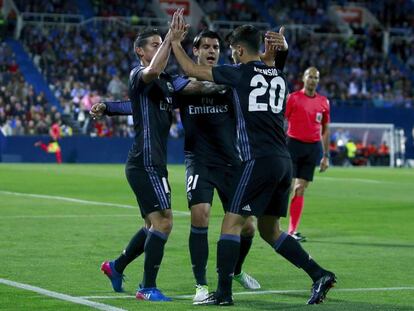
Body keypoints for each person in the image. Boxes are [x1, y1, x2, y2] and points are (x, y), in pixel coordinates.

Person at [92, 26, 289, 304]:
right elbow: (140, 102)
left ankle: (234, 270)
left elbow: (263, 79)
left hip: (232, 163)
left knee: (247, 228)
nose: (211, 51)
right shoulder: (180, 84)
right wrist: (109, 107)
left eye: (216, 48)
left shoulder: (228, 83)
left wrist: (267, 62)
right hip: (198, 161)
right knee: (197, 217)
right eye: (205, 47)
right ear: (194, 51)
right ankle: (199, 284)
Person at [169, 11, 336, 306]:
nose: (231, 56)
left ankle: (222, 294)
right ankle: (319, 274)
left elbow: (190, 70)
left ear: (240, 50)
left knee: (230, 226)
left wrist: (175, 42)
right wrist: (279, 52)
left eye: (232, 50)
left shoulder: (240, 73)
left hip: (258, 161)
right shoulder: (281, 77)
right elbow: (269, 66)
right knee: (269, 230)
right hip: (283, 161)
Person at [97, 26, 230, 302]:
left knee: (152, 225)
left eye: (162, 43)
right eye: (155, 44)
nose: (161, 48)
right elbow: (151, 73)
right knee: (164, 223)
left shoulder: (168, 82)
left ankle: (116, 266)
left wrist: (232, 82)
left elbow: (197, 85)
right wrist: (171, 39)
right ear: (140, 52)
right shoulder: (140, 74)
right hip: (144, 161)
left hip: (155, 163)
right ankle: (147, 287)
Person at [284, 67, 331, 242]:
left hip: (311, 148)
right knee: (286, 187)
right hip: (292, 145)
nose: (313, 80)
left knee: (300, 188)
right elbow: (282, 120)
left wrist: (326, 155)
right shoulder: (294, 98)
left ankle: (292, 230)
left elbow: (325, 129)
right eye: (310, 77)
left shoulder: (323, 102)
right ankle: (272, 224)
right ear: (303, 78)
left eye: (316, 78)